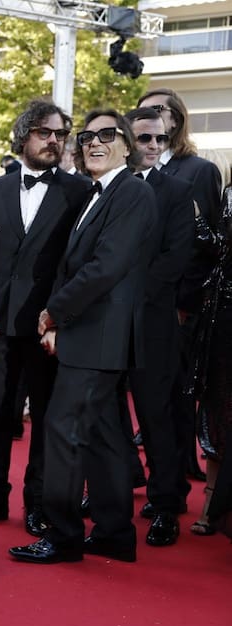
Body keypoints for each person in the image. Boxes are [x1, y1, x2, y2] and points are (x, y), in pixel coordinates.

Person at [9, 109, 154, 564]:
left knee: (63, 432)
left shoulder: (131, 192)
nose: (94, 142)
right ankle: (114, 532)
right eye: (87, 136)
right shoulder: (100, 194)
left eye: (107, 135)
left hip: (99, 335)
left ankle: (64, 534)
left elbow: (104, 267)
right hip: (93, 335)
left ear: (126, 145)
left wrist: (54, 314)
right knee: (105, 436)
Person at [0, 100, 91, 537]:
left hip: (48, 324)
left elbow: (79, 263)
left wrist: (61, 318)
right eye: (46, 132)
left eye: (61, 135)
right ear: (24, 135)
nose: (55, 141)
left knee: (47, 417)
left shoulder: (78, 191)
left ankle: (38, 503)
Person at [137, 88, 223, 483]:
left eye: (161, 110)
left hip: (179, 305)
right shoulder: (130, 171)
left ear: (176, 119)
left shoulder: (199, 170)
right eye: (146, 111)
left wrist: (183, 302)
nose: (154, 117)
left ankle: (175, 477)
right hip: (135, 304)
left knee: (175, 396)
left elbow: (200, 245)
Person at [119, 107, 195, 546]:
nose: (152, 146)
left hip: (153, 322)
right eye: (144, 138)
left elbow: (174, 260)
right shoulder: (108, 187)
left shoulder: (178, 190)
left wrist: (124, 294)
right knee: (106, 413)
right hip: (106, 323)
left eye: (160, 140)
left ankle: (166, 504)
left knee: (155, 416)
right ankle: (114, 488)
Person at [190, 174, 232, 535]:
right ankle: (211, 505)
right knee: (221, 409)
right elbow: (221, 248)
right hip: (226, 319)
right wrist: (199, 224)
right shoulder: (230, 195)